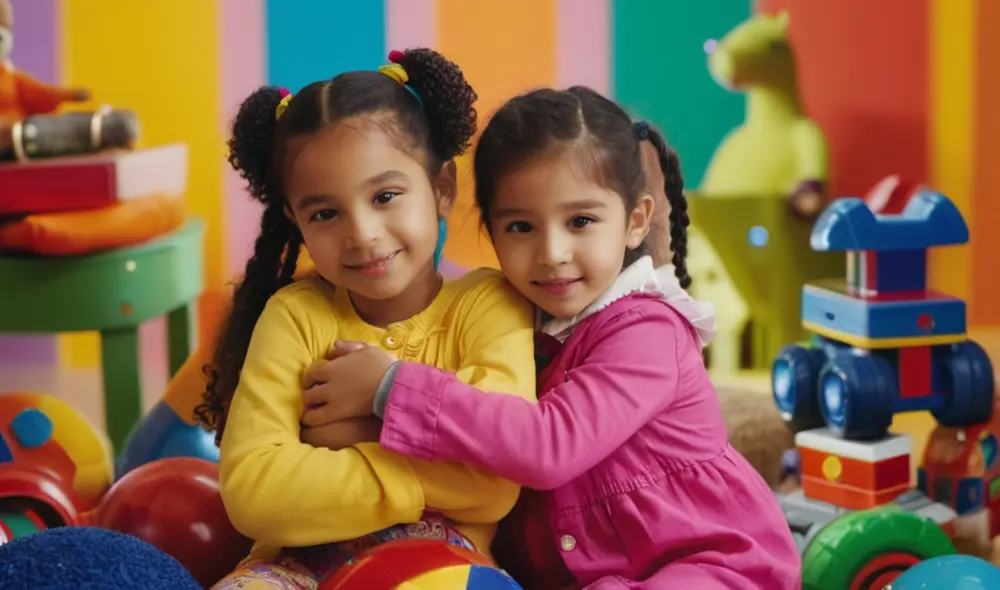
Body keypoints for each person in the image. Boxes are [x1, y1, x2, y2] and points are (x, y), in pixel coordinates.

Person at [299, 87, 801, 589]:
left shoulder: (649, 329)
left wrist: (390, 388)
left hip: (712, 563)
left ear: (635, 221)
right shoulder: (504, 321)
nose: (552, 252)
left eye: (581, 221)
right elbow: (479, 430)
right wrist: (365, 429)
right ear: (492, 234)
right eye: (521, 227)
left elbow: (548, 446)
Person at [197, 49, 537, 589]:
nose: (362, 233)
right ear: (295, 219)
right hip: (293, 566)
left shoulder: (489, 305)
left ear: (442, 188)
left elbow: (498, 479)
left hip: (438, 564)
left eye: (385, 196)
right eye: (326, 213)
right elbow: (254, 494)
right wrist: (419, 459)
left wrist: (363, 425)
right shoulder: (295, 316)